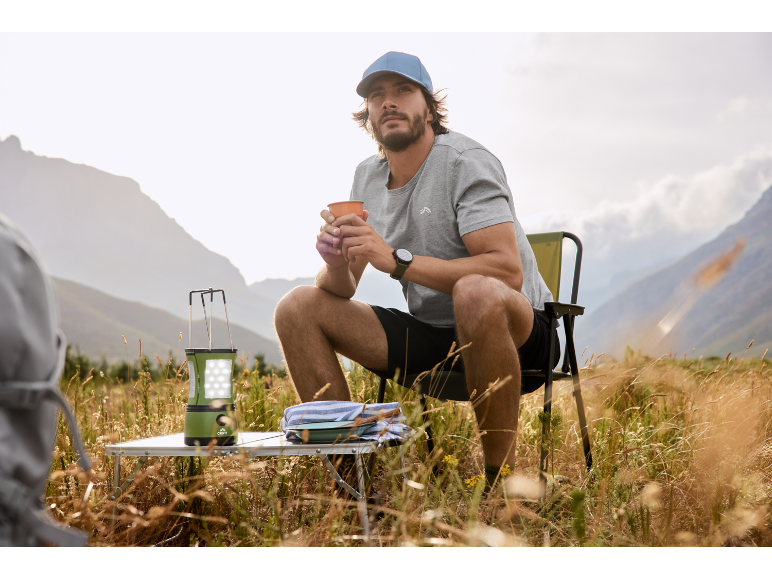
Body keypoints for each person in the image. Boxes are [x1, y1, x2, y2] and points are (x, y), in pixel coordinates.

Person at [275, 51, 557, 486]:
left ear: (429, 106)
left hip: (520, 334)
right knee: (296, 306)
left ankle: (502, 490)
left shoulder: (464, 160)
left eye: (403, 91)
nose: (388, 102)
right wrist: (333, 264)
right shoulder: (367, 177)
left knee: (475, 292)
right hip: (433, 335)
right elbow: (343, 288)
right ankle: (353, 485)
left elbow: (505, 273)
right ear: (366, 114)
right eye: (376, 95)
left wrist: (396, 261)